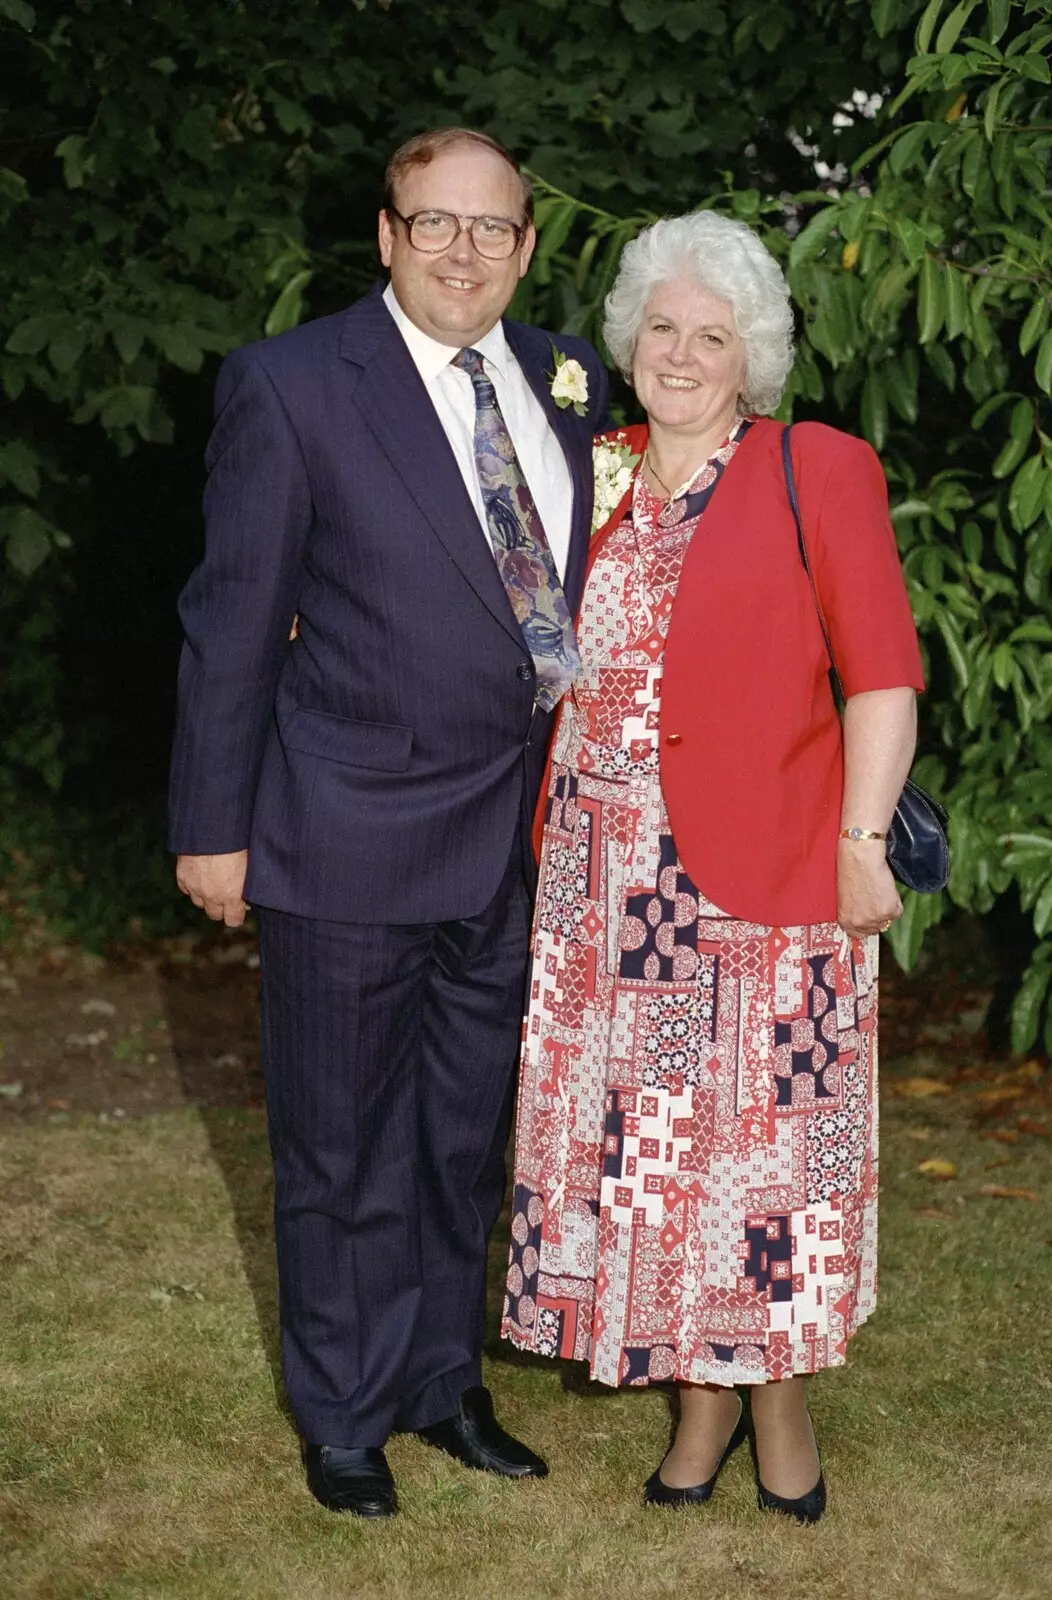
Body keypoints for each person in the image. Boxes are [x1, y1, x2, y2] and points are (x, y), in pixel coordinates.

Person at [168, 127, 609, 1519]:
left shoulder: (568, 378)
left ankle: (438, 1382)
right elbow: (231, 619)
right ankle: (343, 1405)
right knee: (339, 1140)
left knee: (461, 1138)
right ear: (385, 235)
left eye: (493, 228)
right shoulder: (293, 385)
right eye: (437, 224)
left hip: (518, 839)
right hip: (343, 833)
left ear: (529, 244)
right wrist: (212, 826)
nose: (466, 251)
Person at [502, 211, 923, 1522]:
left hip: (762, 879)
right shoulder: (584, 474)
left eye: (714, 335)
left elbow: (885, 678)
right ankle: (698, 1401)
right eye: (663, 328)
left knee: (767, 1161)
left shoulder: (816, 467)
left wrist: (863, 842)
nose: (682, 353)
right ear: (630, 342)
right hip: (599, 887)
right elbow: (501, 636)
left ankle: (778, 1394)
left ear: (753, 357)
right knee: (646, 1155)